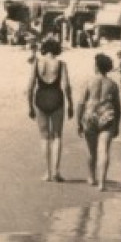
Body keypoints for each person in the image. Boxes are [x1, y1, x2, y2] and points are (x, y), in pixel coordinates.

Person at [27, 36, 74, 182]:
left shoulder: (37, 63)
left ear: (44, 49)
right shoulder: (61, 64)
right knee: (57, 136)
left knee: (44, 136)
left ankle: (47, 172)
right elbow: (66, 86)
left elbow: (30, 87)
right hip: (56, 98)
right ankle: (56, 172)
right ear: (57, 50)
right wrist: (71, 104)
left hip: (41, 97)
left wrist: (29, 106)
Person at [79, 52, 121, 189]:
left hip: (91, 113)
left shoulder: (89, 82)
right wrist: (118, 124)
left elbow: (81, 102)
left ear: (96, 66)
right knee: (104, 150)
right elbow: (117, 106)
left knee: (91, 150)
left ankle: (91, 177)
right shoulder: (113, 84)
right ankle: (102, 182)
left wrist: (78, 122)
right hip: (106, 114)